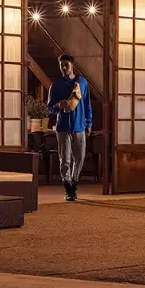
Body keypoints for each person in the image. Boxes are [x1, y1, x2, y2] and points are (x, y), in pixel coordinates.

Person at [47, 55, 93, 201]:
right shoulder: (56, 85)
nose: (64, 68)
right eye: (61, 65)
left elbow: (87, 104)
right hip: (63, 128)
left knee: (79, 157)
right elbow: (49, 108)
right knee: (65, 160)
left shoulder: (82, 83)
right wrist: (58, 105)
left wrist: (89, 123)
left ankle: (74, 182)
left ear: (73, 65)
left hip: (80, 126)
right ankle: (69, 188)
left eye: (66, 65)